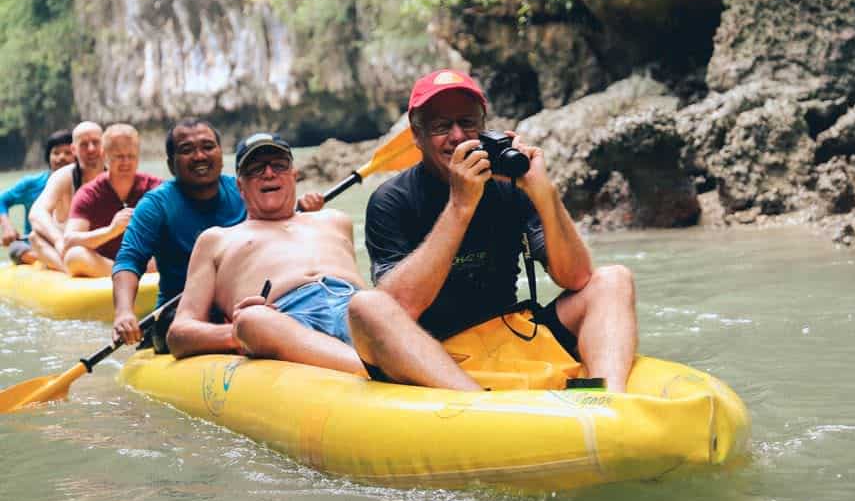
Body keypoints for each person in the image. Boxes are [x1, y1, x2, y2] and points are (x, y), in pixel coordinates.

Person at [355, 69, 637, 392]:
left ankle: (609, 404)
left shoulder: (509, 186)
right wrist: (461, 206)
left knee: (614, 279)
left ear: (483, 128)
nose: (458, 136)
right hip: (436, 352)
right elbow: (401, 307)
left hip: (511, 333)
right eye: (441, 127)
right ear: (417, 137)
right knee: (366, 306)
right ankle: (481, 408)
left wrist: (544, 193)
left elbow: (576, 278)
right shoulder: (391, 200)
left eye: (468, 123)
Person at [166, 133, 392, 374]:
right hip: (284, 321)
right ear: (239, 186)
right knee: (253, 320)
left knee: (381, 299)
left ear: (294, 176)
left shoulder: (335, 220)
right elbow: (179, 333)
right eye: (255, 168)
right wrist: (236, 333)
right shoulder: (216, 239)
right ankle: (376, 370)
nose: (269, 173)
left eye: (279, 165)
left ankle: (393, 364)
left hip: (355, 306)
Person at [111, 118, 324, 345]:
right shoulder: (156, 205)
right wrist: (124, 312)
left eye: (208, 147)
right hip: (183, 311)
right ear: (171, 164)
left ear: (222, 155)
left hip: (249, 304)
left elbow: (278, 228)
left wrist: (299, 210)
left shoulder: (245, 188)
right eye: (187, 150)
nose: (200, 156)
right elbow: (129, 260)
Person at [62, 124, 161, 277]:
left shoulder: (156, 187)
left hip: (148, 263)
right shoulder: (89, 193)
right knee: (74, 256)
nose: (126, 162)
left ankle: (132, 273)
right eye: (119, 157)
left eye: (131, 156)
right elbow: (69, 240)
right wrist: (111, 231)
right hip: (106, 265)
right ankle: (124, 273)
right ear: (104, 155)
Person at [28, 121, 106, 271]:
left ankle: (87, 267)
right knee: (34, 237)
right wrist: (58, 240)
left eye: (96, 142)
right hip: (66, 250)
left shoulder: (115, 176)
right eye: (84, 144)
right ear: (74, 149)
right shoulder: (63, 176)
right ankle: (71, 268)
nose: (91, 149)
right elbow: (37, 213)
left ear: (104, 146)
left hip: (100, 247)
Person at [1, 130, 75, 264]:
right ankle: (51, 260)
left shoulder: (85, 183)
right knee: (16, 248)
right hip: (35, 246)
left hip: (71, 244)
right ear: (48, 157)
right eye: (56, 153)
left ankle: (54, 261)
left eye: (67, 153)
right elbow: (2, 200)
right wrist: (7, 227)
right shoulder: (32, 183)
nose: (61, 158)